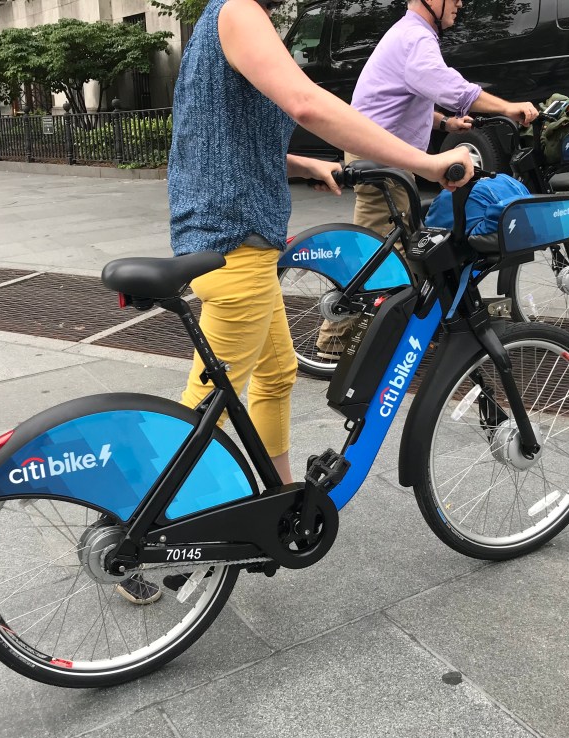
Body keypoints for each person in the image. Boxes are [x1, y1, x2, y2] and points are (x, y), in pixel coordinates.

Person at [114, 0, 473, 606]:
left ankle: (277, 504)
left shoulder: (222, 20)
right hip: (232, 248)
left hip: (240, 244)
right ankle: (135, 538)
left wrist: (304, 162)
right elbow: (306, 103)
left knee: (277, 374)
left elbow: (217, 137)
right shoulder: (238, 12)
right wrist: (425, 160)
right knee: (205, 405)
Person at [316, 0, 540, 356]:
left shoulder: (410, 34)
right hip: (379, 157)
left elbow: (404, 96)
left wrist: (445, 123)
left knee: (398, 246)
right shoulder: (415, 37)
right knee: (381, 253)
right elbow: (450, 87)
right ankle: (337, 340)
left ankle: (411, 327)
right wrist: (506, 106)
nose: (461, 3)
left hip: (386, 153)